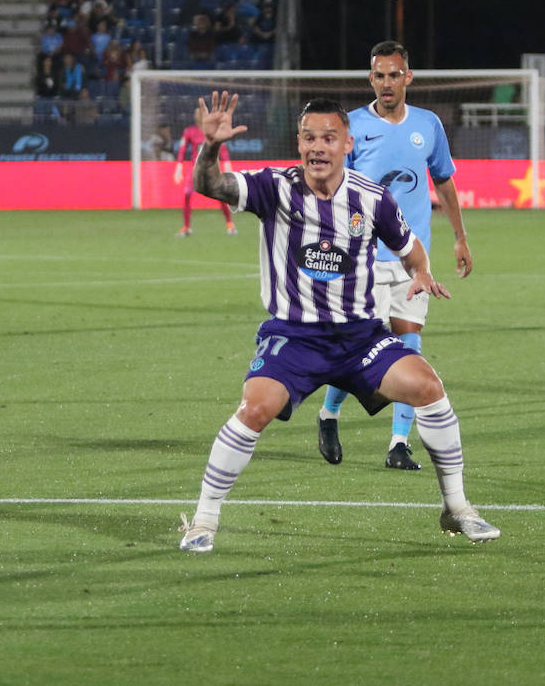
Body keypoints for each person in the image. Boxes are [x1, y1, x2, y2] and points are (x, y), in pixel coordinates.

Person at [177, 92, 499, 552]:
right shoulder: (275, 188)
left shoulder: (372, 199)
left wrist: (422, 273)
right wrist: (209, 147)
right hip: (295, 335)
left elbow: (410, 249)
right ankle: (203, 520)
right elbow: (210, 184)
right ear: (299, 142)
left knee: (428, 387)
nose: (318, 147)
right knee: (254, 408)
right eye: (309, 137)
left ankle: (457, 507)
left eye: (329, 137)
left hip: (359, 338)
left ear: (348, 143)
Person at [317, 41, 472, 472]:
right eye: (379, 75)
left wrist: (460, 237)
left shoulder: (428, 125)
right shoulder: (353, 128)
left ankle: (398, 444)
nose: (387, 83)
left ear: (408, 77)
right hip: (362, 256)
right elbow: (330, 184)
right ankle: (329, 414)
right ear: (371, 79)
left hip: (411, 256)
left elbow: (444, 183)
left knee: (408, 344)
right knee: (358, 349)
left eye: (394, 74)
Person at [174, 107, 236, 237]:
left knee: (219, 194)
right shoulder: (189, 131)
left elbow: (223, 149)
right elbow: (182, 150)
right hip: (195, 168)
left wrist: (228, 166)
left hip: (212, 168)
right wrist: (178, 168)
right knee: (187, 194)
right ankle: (186, 227)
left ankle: (230, 224)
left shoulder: (214, 131)